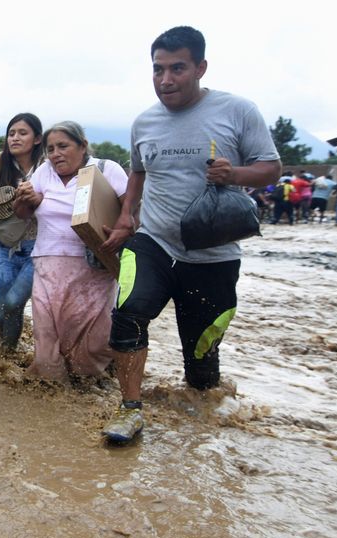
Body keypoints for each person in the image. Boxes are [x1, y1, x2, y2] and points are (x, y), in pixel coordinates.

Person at [100, 26, 281, 443]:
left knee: (200, 359)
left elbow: (271, 168)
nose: (166, 79)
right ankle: (130, 411)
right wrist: (127, 214)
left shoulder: (237, 111)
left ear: (200, 67)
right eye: (158, 69)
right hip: (155, 242)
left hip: (214, 253)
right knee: (127, 316)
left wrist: (234, 174)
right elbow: (138, 174)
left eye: (177, 68)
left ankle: (201, 429)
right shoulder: (143, 122)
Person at [11, 121, 127, 378]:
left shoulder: (106, 170)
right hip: (48, 262)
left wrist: (120, 234)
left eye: (63, 146)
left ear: (82, 146)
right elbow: (22, 215)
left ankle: (85, 378)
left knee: (96, 334)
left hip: (93, 266)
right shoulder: (43, 173)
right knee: (48, 329)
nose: (55, 154)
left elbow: (131, 213)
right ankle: (51, 386)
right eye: (51, 149)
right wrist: (25, 200)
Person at [0, 113, 45, 352]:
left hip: (40, 246)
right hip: (6, 245)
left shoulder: (47, 164)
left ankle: (8, 355)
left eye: (22, 133)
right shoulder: (3, 159)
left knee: (14, 302)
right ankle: (7, 358)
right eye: (11, 133)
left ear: (37, 139)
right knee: (0, 306)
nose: (15, 138)